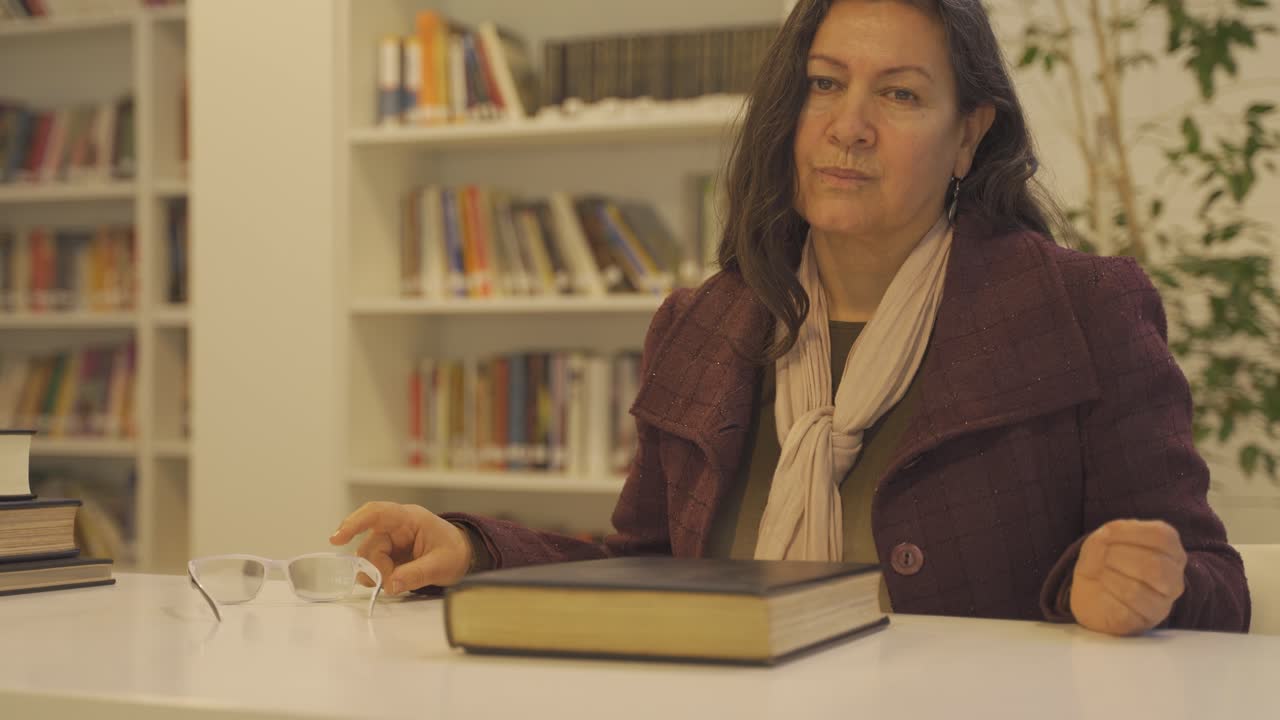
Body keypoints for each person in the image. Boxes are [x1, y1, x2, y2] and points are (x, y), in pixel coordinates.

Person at [330, 0, 1251, 636]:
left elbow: (1216, 586)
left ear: (970, 133)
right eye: (824, 83)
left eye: (898, 93)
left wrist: (1138, 585)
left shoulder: (1083, 309)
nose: (849, 125)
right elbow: (649, 562)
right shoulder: (702, 323)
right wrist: (476, 548)